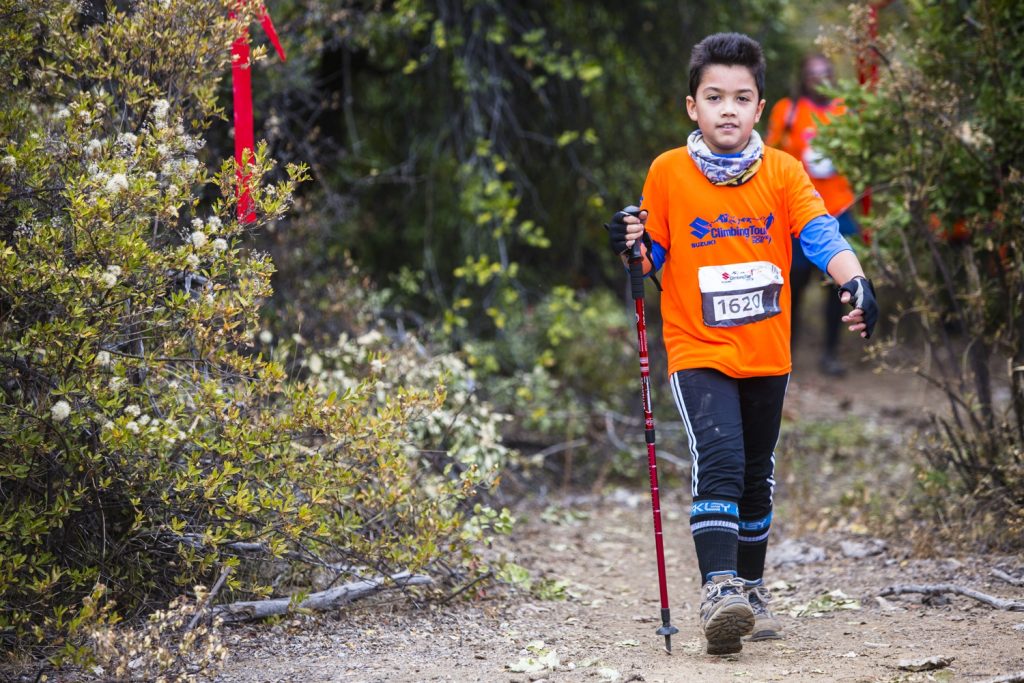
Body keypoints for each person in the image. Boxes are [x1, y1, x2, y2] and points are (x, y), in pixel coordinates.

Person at [604, 33, 878, 656]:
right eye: (714, 96)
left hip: (765, 353)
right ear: (692, 106)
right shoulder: (668, 172)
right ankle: (719, 588)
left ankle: (749, 591)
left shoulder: (784, 171)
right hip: (697, 347)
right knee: (721, 459)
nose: (727, 109)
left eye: (741, 98)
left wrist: (855, 280)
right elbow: (655, 255)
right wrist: (632, 244)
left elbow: (821, 235)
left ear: (760, 108)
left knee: (757, 474)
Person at [765, 53, 860, 376]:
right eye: (812, 74)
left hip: (838, 211)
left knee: (837, 285)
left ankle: (830, 353)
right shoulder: (787, 111)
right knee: (794, 283)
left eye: (825, 73)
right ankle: (784, 356)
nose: (820, 79)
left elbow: (860, 156)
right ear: (802, 79)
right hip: (796, 213)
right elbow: (769, 154)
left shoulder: (846, 111)